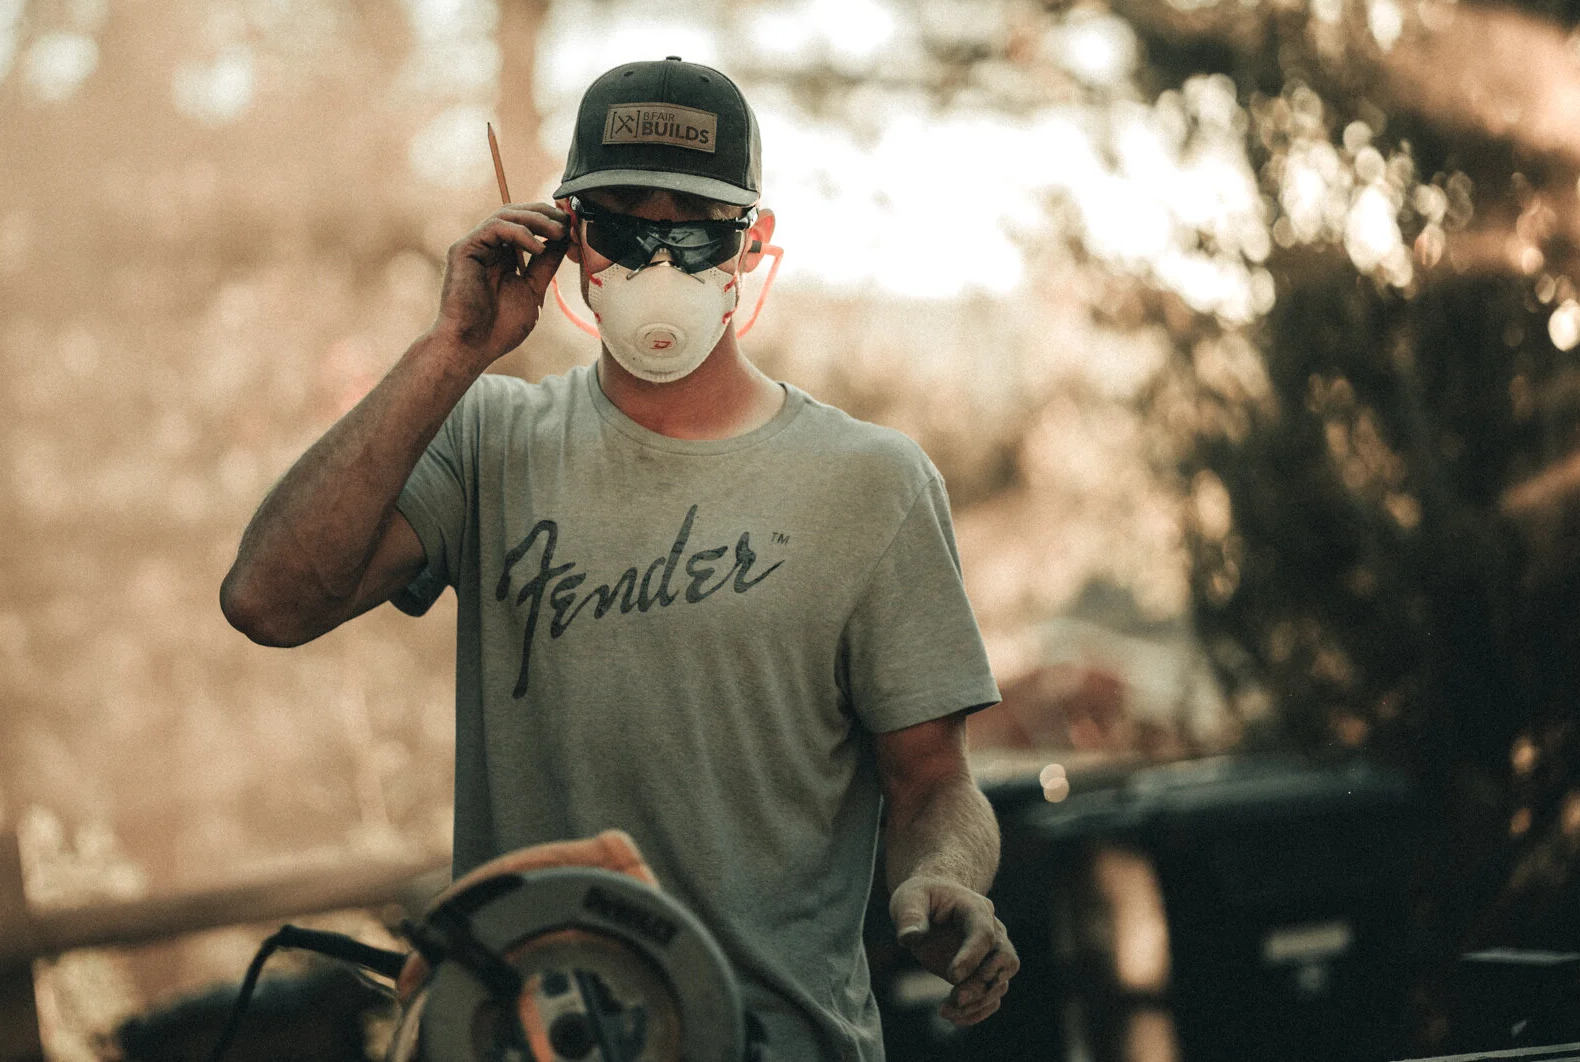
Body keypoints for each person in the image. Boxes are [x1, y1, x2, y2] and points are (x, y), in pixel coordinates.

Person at [220, 57, 1018, 1061]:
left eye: (695, 229)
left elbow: (934, 782)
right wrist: (452, 349)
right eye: (624, 228)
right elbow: (268, 599)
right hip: (530, 1038)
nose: (659, 262)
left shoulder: (872, 483)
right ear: (569, 240)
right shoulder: (486, 442)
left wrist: (943, 877)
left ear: (751, 243)